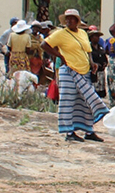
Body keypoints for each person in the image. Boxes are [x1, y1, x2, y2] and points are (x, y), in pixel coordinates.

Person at [43, 9, 107, 142]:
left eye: (72, 18)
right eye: (67, 18)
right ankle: (69, 132)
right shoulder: (60, 34)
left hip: (84, 71)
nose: (69, 21)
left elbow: (87, 50)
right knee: (68, 101)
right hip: (69, 71)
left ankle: (88, 130)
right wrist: (60, 56)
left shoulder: (83, 33)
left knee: (86, 102)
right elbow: (44, 44)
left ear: (77, 21)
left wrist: (92, 63)